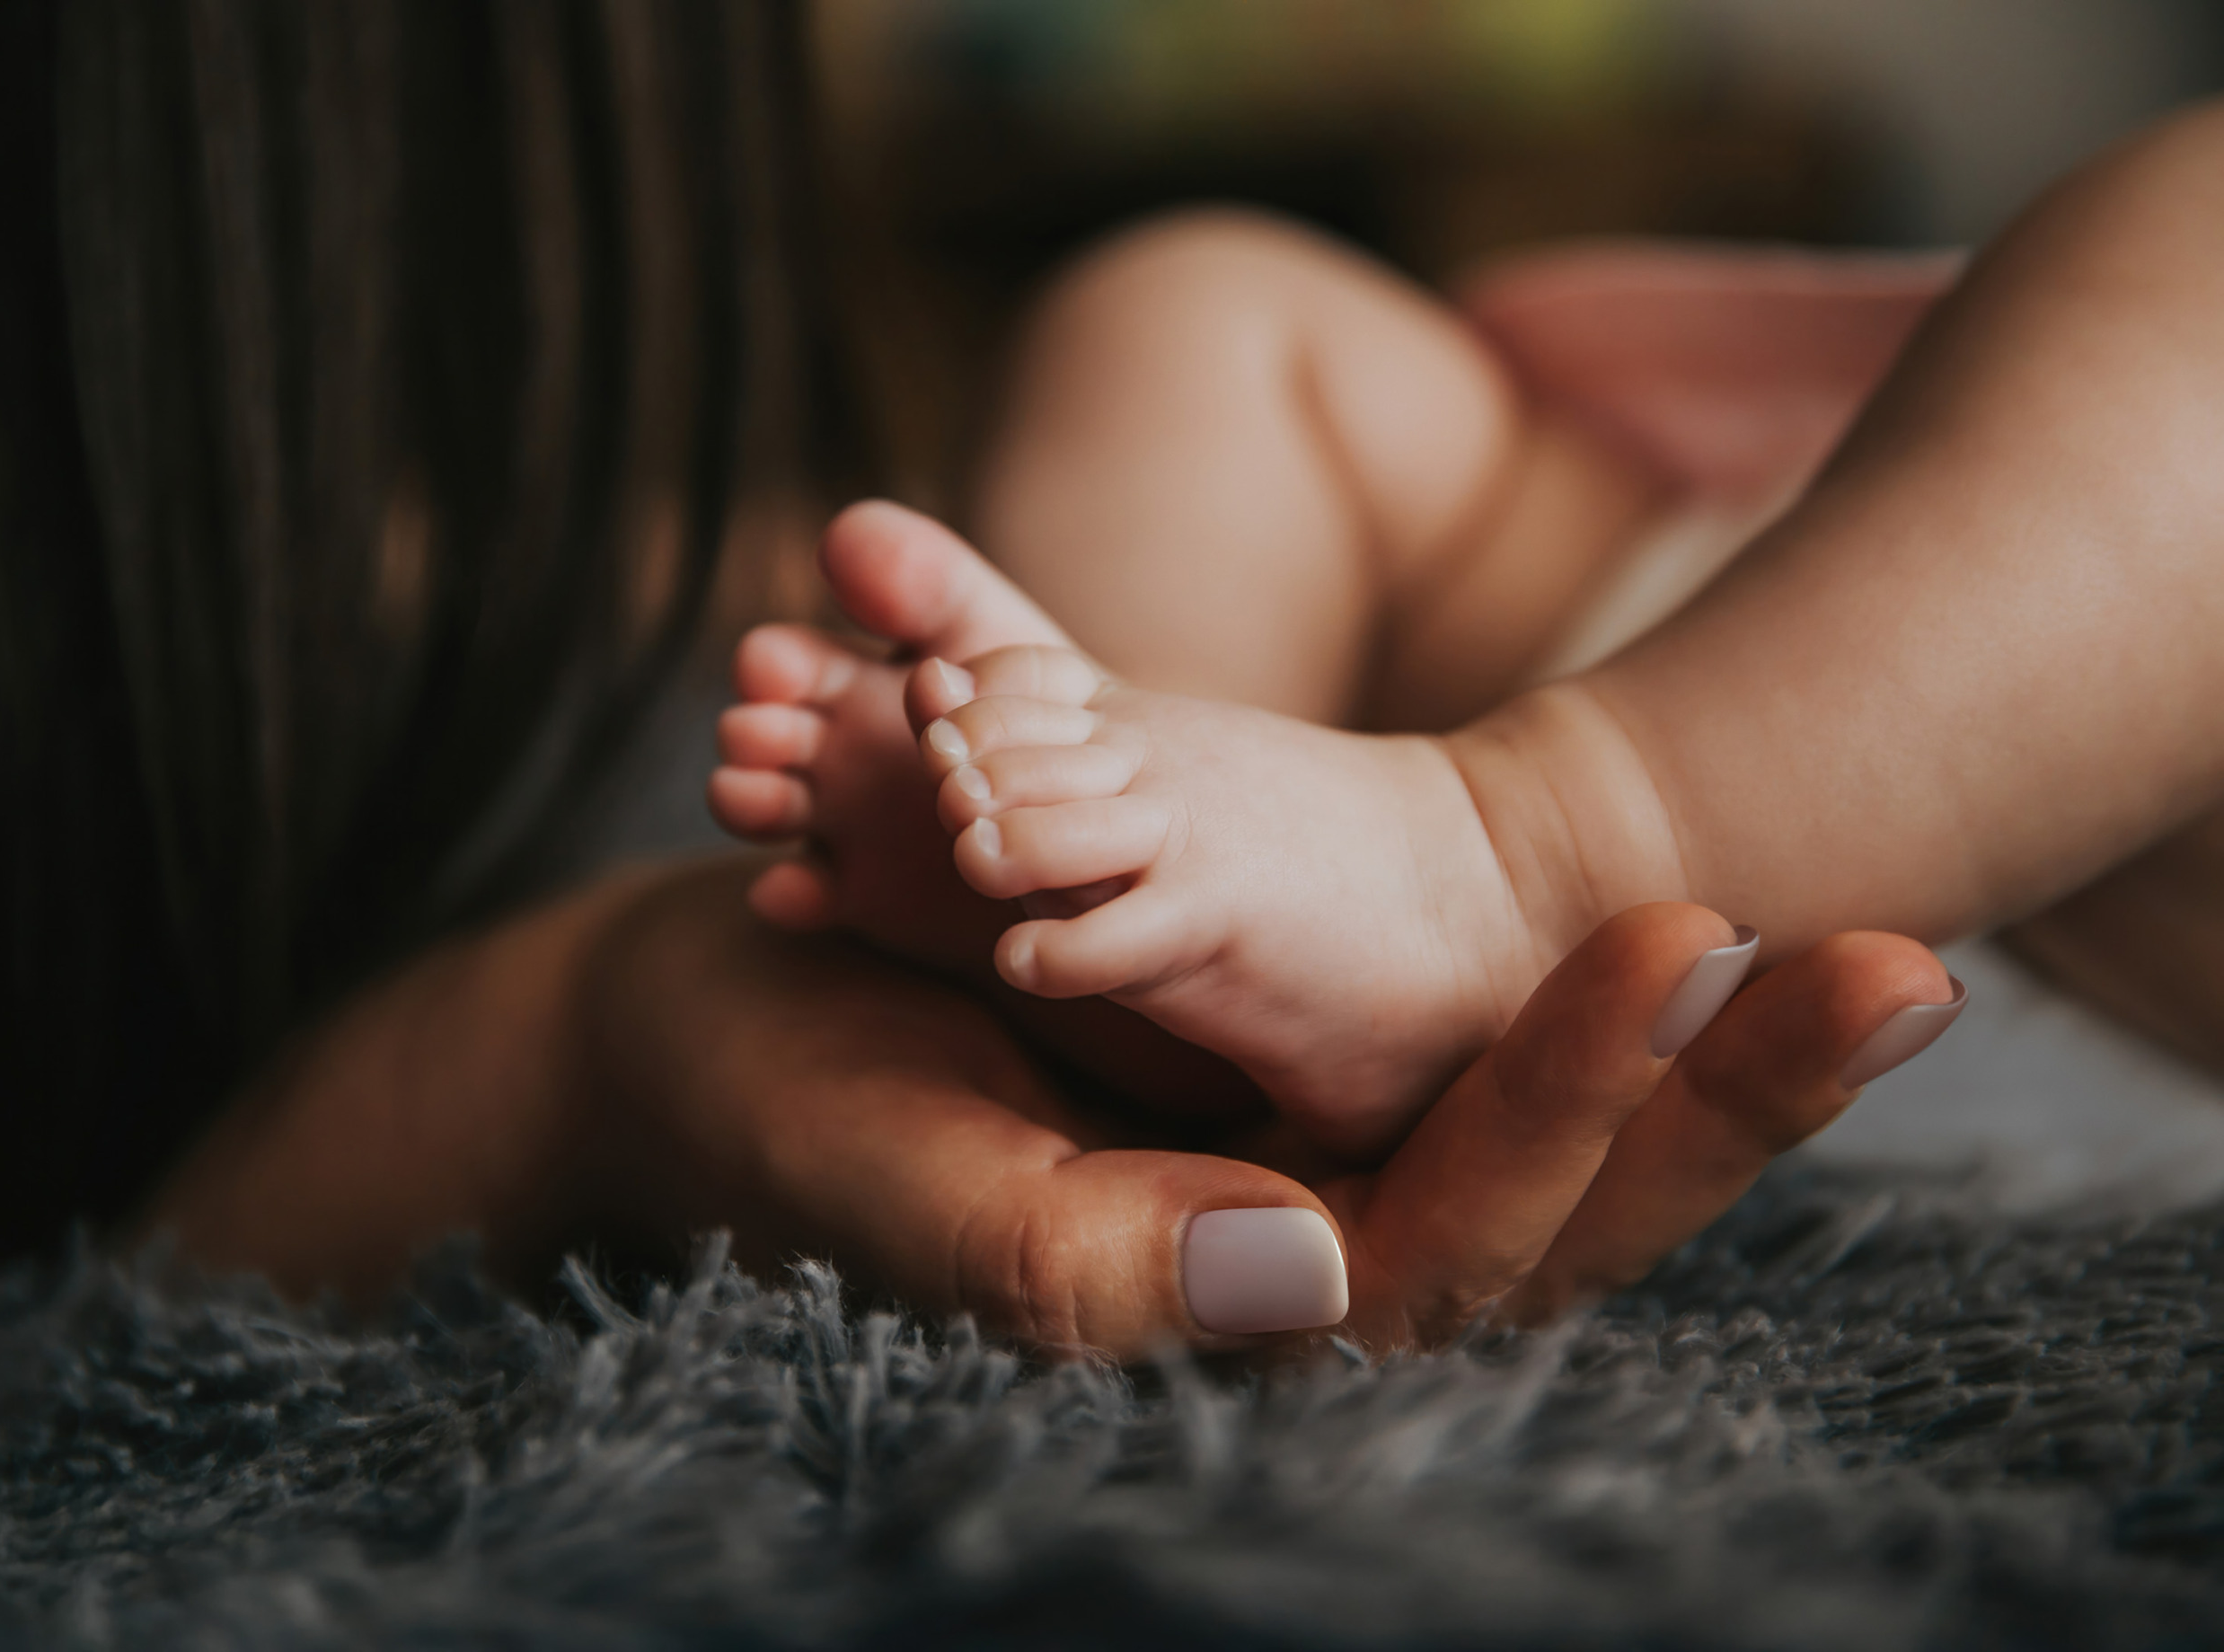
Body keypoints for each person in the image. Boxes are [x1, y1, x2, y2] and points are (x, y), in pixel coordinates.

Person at [0, 0, 1963, 1358]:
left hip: (1803, 564)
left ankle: (1246, 887)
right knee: (1178, 305)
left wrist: (567, 1027)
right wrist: (566, 1040)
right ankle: (1202, 891)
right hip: (1620, 524)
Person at [710, 98, 2224, 1182]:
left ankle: (1514, 860)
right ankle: (1151, 902)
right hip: (1713, 597)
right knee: (1197, 306)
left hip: (2088, 853)